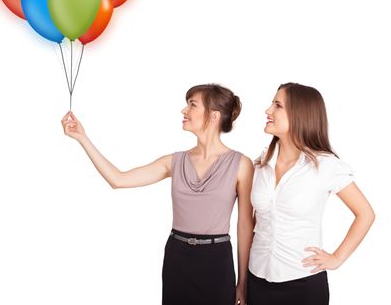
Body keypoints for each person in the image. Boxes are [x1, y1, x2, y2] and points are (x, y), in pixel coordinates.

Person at [61, 83, 254, 305]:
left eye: (192, 105)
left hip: (216, 260)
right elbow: (118, 179)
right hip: (177, 257)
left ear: (213, 115)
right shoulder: (175, 161)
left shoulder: (241, 164)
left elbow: (244, 226)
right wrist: (82, 138)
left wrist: (243, 282)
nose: (184, 111)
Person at [247, 82, 375, 305]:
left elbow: (365, 214)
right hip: (257, 279)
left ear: (300, 114)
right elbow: (256, 220)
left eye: (277, 105)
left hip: (303, 285)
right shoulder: (260, 165)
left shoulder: (326, 166)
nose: (268, 111)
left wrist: (336, 258)